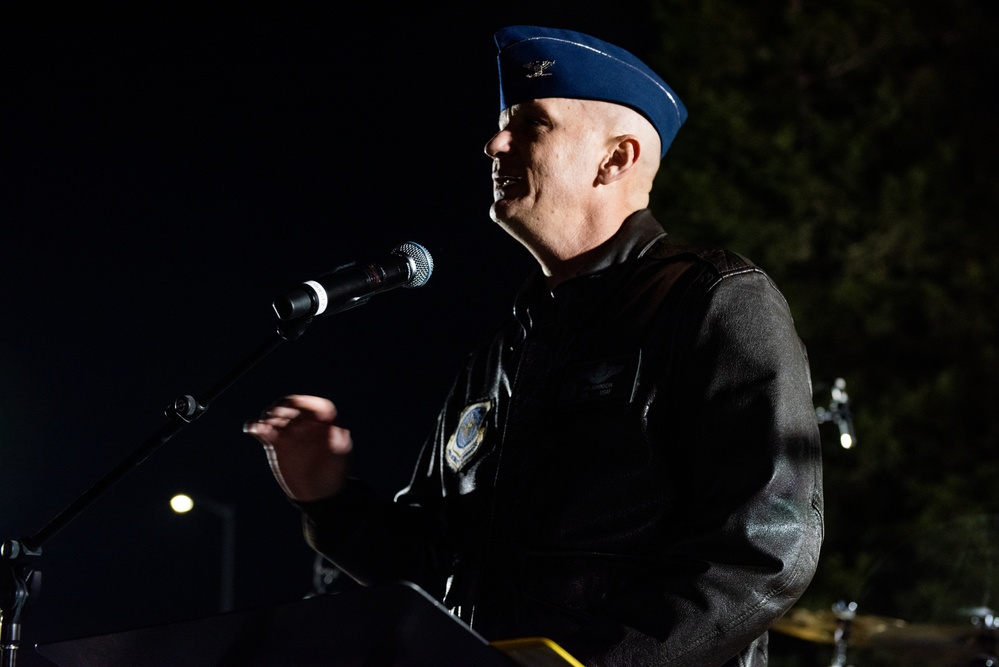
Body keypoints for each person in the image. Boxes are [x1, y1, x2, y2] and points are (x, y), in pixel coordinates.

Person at [245, 25, 824, 667]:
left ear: (616, 158)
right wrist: (326, 498)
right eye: (501, 125)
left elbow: (765, 551)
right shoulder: (508, 346)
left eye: (531, 124)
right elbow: (427, 563)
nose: (494, 143)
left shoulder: (713, 299)